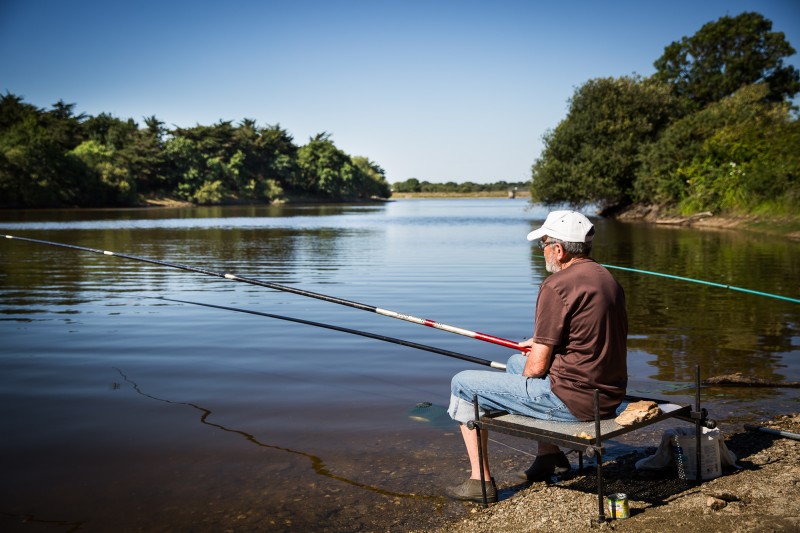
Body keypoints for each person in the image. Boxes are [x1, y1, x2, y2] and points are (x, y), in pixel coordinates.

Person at [445, 210, 628, 503]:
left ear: (559, 249)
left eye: (543, 244)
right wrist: (542, 345)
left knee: (463, 383)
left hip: (573, 403)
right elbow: (590, 336)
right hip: (607, 394)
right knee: (516, 361)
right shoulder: (606, 278)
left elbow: (536, 368)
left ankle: (479, 482)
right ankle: (549, 455)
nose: (542, 250)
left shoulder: (556, 286)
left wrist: (535, 362)